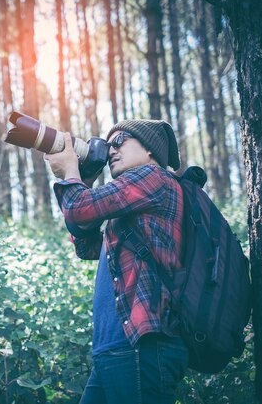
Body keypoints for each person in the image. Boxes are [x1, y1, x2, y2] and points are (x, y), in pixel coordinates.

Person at [44, 120, 188, 404]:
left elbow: (80, 210)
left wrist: (70, 172)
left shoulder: (154, 177)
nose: (111, 150)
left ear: (150, 150)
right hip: (115, 348)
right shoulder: (133, 202)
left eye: (120, 140)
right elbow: (87, 247)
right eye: (108, 145)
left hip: (142, 345)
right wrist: (83, 182)